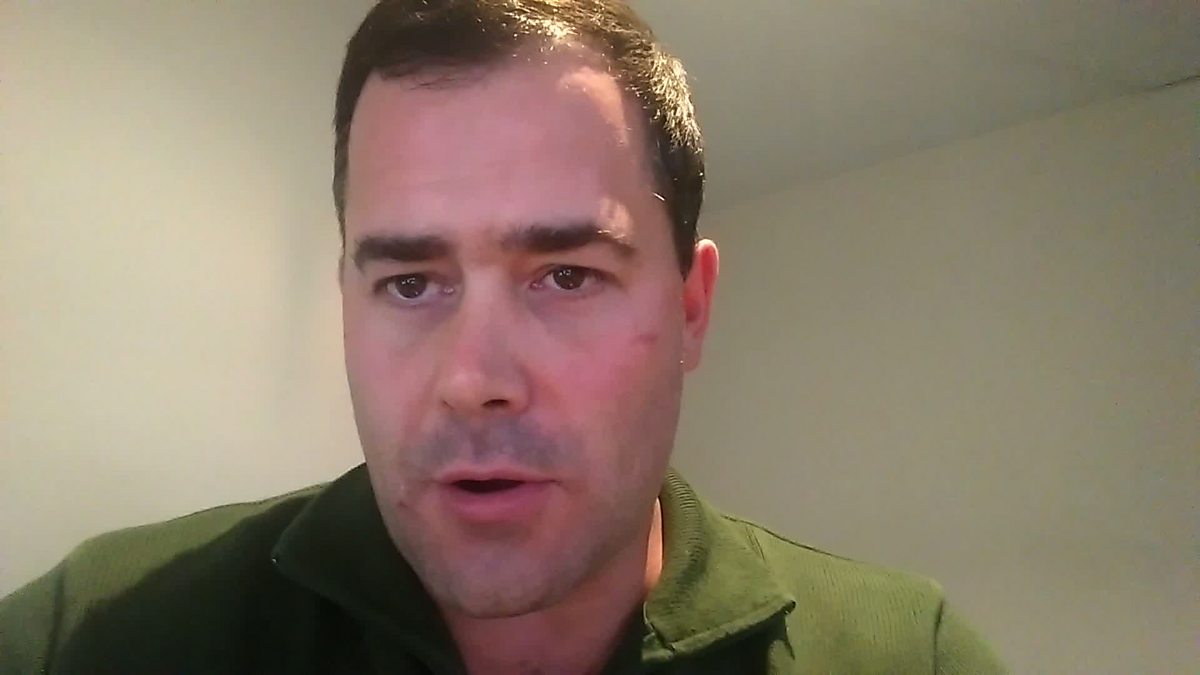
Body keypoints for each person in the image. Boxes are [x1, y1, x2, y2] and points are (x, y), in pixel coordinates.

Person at [0, 1, 1006, 673]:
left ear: (690, 309)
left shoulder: (904, 656)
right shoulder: (86, 637)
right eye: (410, 283)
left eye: (566, 276)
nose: (474, 379)